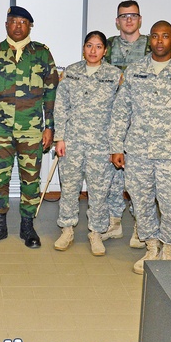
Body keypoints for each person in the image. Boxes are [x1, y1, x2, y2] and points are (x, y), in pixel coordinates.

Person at [108, 21, 171, 273]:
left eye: (165, 36)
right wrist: (116, 146)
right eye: (155, 36)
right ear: (149, 40)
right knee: (141, 202)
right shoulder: (134, 71)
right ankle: (151, 247)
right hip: (138, 152)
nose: (160, 41)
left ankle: (169, 249)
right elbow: (121, 111)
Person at [0, 6, 58, 248]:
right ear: (6, 24)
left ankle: (27, 226)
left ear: (29, 26)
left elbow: (51, 94)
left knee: (30, 180)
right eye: (13, 21)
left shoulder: (42, 54)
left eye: (23, 22)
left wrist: (50, 128)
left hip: (32, 128)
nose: (17, 26)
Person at [52, 31, 123, 254]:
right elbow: (61, 106)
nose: (93, 51)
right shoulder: (71, 72)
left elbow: (120, 112)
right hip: (72, 141)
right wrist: (59, 138)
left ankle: (96, 232)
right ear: (83, 48)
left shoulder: (115, 75)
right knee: (70, 188)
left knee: (99, 190)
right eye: (89, 46)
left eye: (98, 46)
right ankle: (67, 228)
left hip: (101, 144)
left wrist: (115, 146)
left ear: (105, 50)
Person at [106, 0, 150, 247]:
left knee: (138, 177)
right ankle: (114, 221)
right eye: (124, 16)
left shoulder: (149, 47)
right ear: (117, 21)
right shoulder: (108, 46)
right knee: (113, 175)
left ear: (140, 19)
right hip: (110, 118)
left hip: (140, 121)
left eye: (133, 15)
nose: (129, 20)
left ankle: (139, 225)